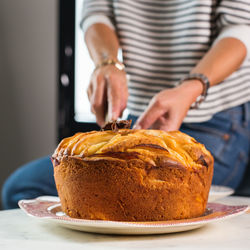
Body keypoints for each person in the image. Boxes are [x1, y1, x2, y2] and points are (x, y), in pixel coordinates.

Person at [2, 0, 250, 209]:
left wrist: (191, 88)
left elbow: (240, 27)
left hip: (214, 117)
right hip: (139, 118)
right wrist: (107, 63)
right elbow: (96, 12)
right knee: (22, 188)